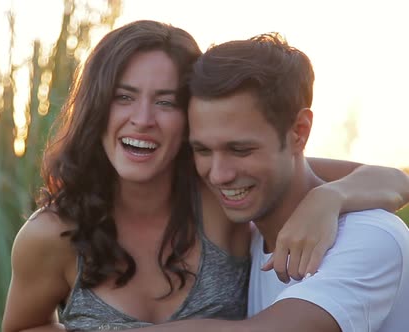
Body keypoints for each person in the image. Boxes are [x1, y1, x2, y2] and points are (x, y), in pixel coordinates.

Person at [1, 21, 409, 332]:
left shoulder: (219, 191)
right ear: (97, 107)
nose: (142, 120)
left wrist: (328, 199)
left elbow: (392, 178)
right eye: (123, 96)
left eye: (165, 101)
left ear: (190, 117)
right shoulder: (52, 234)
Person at [117, 32, 409, 332]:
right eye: (202, 149)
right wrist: (331, 195)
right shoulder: (247, 232)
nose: (218, 175)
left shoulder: (370, 237)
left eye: (240, 150)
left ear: (299, 131)